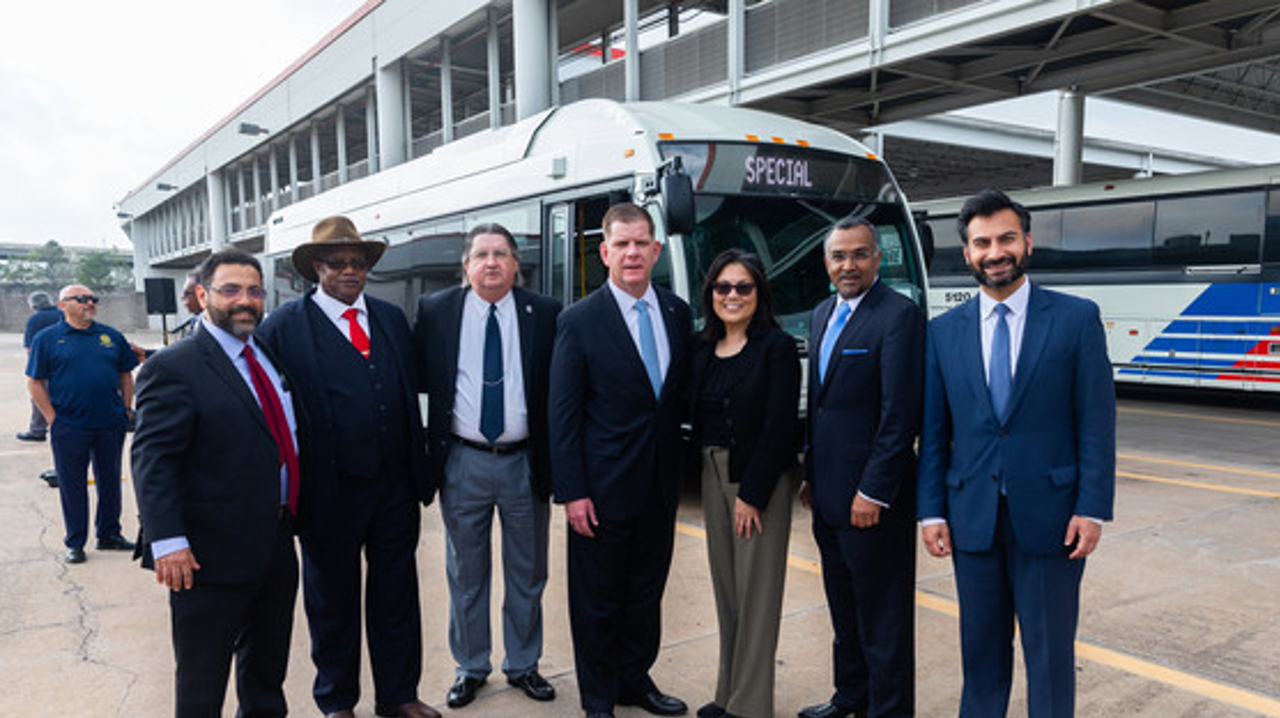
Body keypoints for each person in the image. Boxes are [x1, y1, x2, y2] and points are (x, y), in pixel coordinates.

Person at [917, 188, 1115, 718]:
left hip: (1053, 521)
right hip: (971, 519)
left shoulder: (1076, 319)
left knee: (1049, 658)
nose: (994, 251)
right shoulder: (942, 333)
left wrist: (1091, 507)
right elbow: (935, 433)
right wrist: (931, 510)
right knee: (980, 656)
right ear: (966, 253)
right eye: (982, 242)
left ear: (1028, 241)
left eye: (1006, 238)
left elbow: (1096, 421)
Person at [256, 215, 440, 718]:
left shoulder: (389, 318)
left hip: (394, 489)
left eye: (358, 263)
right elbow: (267, 413)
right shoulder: (283, 328)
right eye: (337, 263)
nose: (349, 271)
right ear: (316, 268)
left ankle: (399, 694)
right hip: (327, 492)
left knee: (397, 596)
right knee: (332, 602)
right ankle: (337, 701)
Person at [132, 249, 300, 718]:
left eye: (253, 291)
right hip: (206, 555)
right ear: (203, 295)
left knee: (267, 670)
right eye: (230, 290)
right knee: (203, 679)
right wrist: (167, 541)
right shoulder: (174, 366)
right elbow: (152, 458)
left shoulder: (263, 352)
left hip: (274, 540)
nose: (244, 300)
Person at [549, 202, 693, 718]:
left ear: (656, 250)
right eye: (622, 244)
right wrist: (572, 492)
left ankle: (635, 679)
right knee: (597, 600)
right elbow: (562, 416)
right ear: (605, 252)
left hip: (658, 485)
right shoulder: (579, 321)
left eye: (642, 243)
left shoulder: (676, 313)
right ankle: (599, 697)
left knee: (645, 593)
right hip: (601, 490)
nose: (633, 253)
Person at [414, 224, 561, 709]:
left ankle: (523, 664)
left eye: (501, 254)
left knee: (527, 572)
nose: (492, 262)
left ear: (517, 264)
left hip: (524, 462)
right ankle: (471, 666)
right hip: (464, 461)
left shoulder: (544, 313)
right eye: (482, 254)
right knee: (466, 573)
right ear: (467, 265)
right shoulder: (437, 312)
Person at [799, 218, 925, 718]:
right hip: (827, 493)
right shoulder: (820, 312)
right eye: (838, 256)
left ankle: (889, 710)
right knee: (844, 609)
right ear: (826, 263)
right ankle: (851, 696)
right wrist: (810, 472)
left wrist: (874, 490)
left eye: (858, 254)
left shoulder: (899, 316)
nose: (847, 265)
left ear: (877, 258)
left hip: (873, 501)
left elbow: (899, 414)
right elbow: (823, 405)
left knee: (883, 615)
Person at [688, 250, 800, 718]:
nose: (732, 296)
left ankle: (751, 707)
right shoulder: (701, 347)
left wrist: (752, 495)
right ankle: (728, 692)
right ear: (710, 293)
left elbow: (779, 427)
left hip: (758, 481)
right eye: (723, 287)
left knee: (756, 595)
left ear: (760, 294)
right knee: (728, 591)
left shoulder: (776, 347)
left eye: (743, 287)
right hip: (712, 475)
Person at [26, 284, 139, 564]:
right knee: (72, 485)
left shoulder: (110, 336)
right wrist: (52, 418)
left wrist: (126, 408)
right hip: (70, 426)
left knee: (110, 480)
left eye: (93, 299)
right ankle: (75, 542)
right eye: (82, 299)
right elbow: (34, 382)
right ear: (64, 305)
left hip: (109, 423)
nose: (90, 303)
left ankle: (109, 534)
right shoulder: (47, 339)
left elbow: (126, 373)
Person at [18, 291, 61, 442]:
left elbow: (30, 348)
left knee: (40, 395)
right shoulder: (62, 314)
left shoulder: (35, 319)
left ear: (34, 305)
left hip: (45, 364)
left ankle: (37, 430)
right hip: (66, 362)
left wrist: (33, 369)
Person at [170, 272, 203, 340]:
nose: (182, 297)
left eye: (186, 293)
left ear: (201, 295)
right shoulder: (195, 319)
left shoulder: (214, 325)